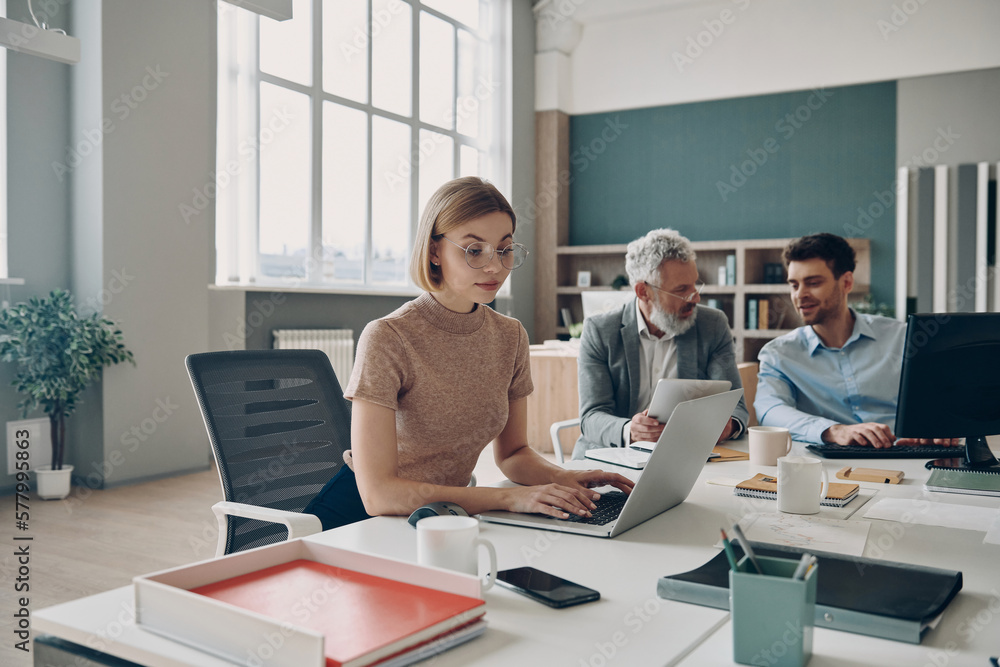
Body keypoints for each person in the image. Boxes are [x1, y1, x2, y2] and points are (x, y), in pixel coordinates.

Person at [304, 177, 633, 530]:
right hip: (359, 522)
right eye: (474, 250)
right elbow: (379, 495)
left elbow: (513, 454)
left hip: (441, 517)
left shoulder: (510, 336)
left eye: (504, 249)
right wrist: (509, 498)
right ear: (434, 251)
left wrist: (564, 477)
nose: (495, 267)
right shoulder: (388, 336)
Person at [754, 233, 959, 448]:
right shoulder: (779, 354)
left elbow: (942, 398)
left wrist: (939, 426)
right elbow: (770, 410)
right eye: (794, 285)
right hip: (833, 468)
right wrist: (833, 430)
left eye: (813, 283)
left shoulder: (904, 338)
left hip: (908, 455)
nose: (800, 295)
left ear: (847, 282)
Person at [573, 228, 749, 459]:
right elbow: (592, 417)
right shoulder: (600, 331)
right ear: (643, 291)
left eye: (695, 285)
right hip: (614, 456)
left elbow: (736, 407)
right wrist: (630, 430)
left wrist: (728, 426)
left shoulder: (712, 325)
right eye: (681, 291)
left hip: (684, 456)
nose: (695, 297)